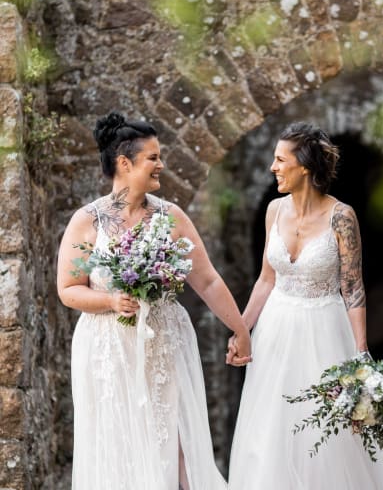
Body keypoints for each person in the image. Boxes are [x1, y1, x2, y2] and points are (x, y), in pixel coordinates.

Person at [226, 122, 383, 489]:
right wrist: (241, 330)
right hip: (274, 332)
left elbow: (353, 286)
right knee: (270, 427)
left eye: (280, 160)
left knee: (328, 432)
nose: (273, 167)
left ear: (303, 166)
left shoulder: (342, 217)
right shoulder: (274, 211)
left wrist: (361, 353)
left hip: (324, 330)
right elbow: (265, 280)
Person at [57, 112, 251, 490]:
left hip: (163, 341)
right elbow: (68, 289)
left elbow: (207, 280)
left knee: (174, 440)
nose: (161, 164)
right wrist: (112, 301)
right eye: (153, 157)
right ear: (124, 163)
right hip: (107, 349)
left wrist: (240, 329)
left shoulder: (171, 217)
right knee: (117, 442)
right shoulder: (88, 222)